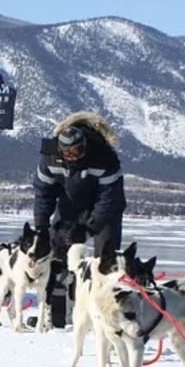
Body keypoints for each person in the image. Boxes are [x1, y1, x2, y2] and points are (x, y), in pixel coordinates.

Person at [32, 111, 127, 328]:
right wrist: (41, 226)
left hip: (106, 210)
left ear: (85, 146)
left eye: (77, 151)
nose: (73, 156)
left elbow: (108, 199)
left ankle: (106, 318)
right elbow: (43, 193)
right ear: (60, 150)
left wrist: (88, 229)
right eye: (68, 152)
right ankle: (57, 314)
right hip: (69, 205)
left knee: (106, 260)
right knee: (58, 255)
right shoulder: (50, 159)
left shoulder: (104, 158)